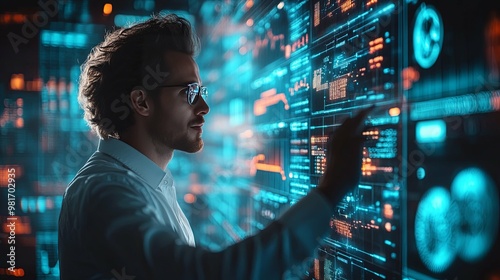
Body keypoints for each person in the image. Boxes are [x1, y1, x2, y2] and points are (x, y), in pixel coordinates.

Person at [58, 14, 372, 279]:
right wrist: (330, 192)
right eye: (190, 92)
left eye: (201, 90)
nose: (204, 106)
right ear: (141, 101)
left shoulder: (139, 183)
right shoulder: (106, 191)